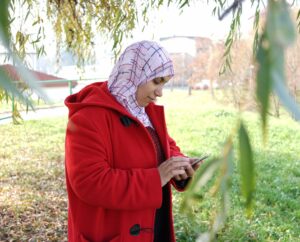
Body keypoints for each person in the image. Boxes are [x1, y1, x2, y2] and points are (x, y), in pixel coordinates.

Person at [64, 40, 201, 242]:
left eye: (164, 83)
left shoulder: (144, 111)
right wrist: (157, 178)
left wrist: (180, 165)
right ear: (135, 73)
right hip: (113, 233)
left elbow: (166, 146)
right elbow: (90, 182)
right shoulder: (87, 117)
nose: (160, 92)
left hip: (152, 226)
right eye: (156, 81)